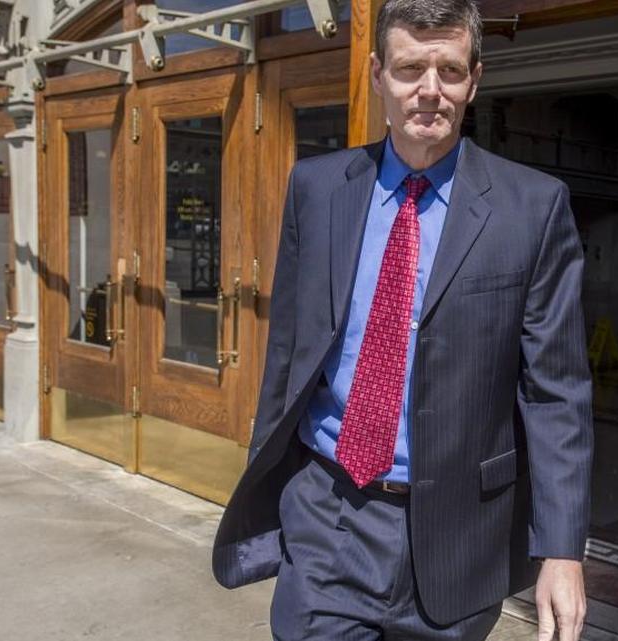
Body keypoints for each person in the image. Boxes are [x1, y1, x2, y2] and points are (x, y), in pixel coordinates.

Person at [212, 1, 593, 639]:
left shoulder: (533, 208)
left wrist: (562, 549)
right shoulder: (317, 188)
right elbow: (288, 353)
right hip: (330, 515)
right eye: (411, 68)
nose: (430, 90)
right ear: (377, 74)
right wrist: (271, 490)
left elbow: (556, 392)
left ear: (474, 79)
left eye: (450, 70)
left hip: (461, 535)